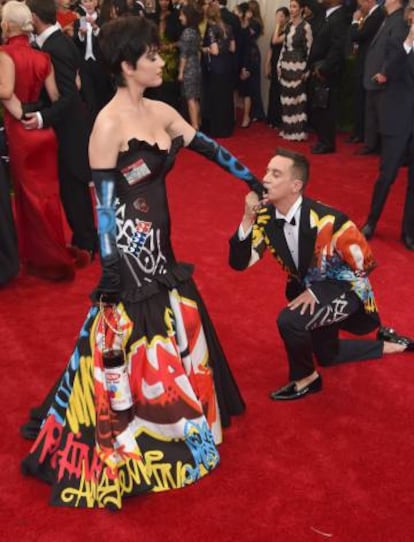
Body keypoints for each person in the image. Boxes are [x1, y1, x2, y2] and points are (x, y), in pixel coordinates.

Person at [21, 15, 263, 509]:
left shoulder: (162, 109)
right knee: (126, 337)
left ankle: (180, 412)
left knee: (175, 320)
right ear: (127, 66)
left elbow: (208, 147)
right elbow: (105, 210)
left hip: (163, 245)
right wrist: (110, 270)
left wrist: (251, 179)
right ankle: (143, 427)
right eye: (151, 55)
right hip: (129, 252)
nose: (160, 61)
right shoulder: (106, 125)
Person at [229, 148, 413, 401]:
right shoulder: (264, 218)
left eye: (275, 173)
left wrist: (317, 292)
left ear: (296, 185)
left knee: (290, 321)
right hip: (305, 291)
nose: (266, 178)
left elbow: (364, 266)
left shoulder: (331, 220)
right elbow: (239, 263)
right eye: (267, 171)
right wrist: (247, 220)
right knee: (329, 355)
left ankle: (307, 379)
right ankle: (392, 344)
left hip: (348, 291)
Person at [0, 1, 75, 281]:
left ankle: (38, 257)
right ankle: (53, 252)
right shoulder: (42, 57)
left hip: (21, 132)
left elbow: (6, 90)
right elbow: (56, 97)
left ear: (7, 25)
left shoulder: (4, 53)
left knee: (26, 197)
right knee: (47, 195)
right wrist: (38, 115)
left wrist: (20, 113)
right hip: (43, 132)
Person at [23, 0, 98, 267]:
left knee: (74, 187)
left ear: (34, 17)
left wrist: (42, 117)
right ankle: (84, 240)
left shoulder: (56, 46)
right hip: (67, 126)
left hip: (70, 128)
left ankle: (87, 243)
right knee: (71, 188)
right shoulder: (53, 42)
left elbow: (68, 96)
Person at [361, 0, 414, 249]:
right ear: (408, 14)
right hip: (398, 116)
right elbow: (390, 69)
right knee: (387, 174)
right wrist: (409, 42)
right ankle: (371, 221)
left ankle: (409, 231)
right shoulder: (398, 38)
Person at [308, 0, 349, 154]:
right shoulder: (325, 15)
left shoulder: (339, 17)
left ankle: (327, 143)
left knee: (326, 107)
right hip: (318, 67)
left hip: (327, 71)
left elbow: (338, 47)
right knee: (319, 107)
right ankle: (322, 140)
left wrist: (325, 68)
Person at [277, 0, 312, 141]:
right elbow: (283, 47)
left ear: (301, 9)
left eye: (294, 7)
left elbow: (310, 50)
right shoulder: (288, 26)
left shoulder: (306, 27)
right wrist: (279, 65)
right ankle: (287, 130)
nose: (291, 9)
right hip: (286, 65)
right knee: (286, 99)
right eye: (290, 6)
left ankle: (298, 132)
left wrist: (307, 70)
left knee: (297, 99)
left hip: (299, 66)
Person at [265, 6, 289, 129]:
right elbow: (271, 47)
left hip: (283, 64)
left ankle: (279, 120)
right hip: (274, 62)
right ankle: (271, 119)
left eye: (281, 16)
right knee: (272, 91)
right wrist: (267, 64)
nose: (278, 18)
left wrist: (278, 25)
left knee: (280, 92)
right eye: (277, 15)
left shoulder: (288, 31)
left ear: (286, 18)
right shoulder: (276, 30)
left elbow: (275, 41)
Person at [178, 4, 202, 129]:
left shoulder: (187, 32)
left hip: (189, 68)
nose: (180, 17)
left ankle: (194, 126)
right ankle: (197, 123)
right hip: (196, 66)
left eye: (182, 15)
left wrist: (181, 72)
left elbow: (184, 54)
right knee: (195, 97)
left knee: (190, 98)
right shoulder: (195, 31)